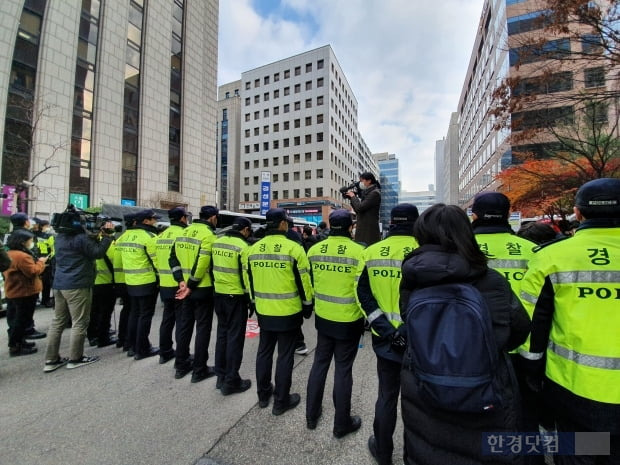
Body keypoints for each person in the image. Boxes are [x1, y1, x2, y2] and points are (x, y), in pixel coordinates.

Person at [398, 204, 530, 465]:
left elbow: (409, 321)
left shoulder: (412, 279)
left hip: (425, 381)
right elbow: (519, 328)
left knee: (427, 446)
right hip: (484, 390)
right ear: (466, 233)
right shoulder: (492, 279)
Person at [519, 178, 620, 465]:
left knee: (579, 453)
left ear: (577, 213)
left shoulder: (552, 257)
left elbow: (534, 325)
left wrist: (530, 371)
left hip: (575, 389)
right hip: (574, 390)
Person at [355, 203, 419, 465]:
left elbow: (363, 294)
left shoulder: (370, 253)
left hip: (385, 341)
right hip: (418, 342)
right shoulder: (425, 251)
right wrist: (405, 330)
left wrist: (386, 330)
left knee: (386, 396)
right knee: (418, 403)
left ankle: (383, 453)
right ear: (416, 223)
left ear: (391, 223)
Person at [243, 208, 314, 415]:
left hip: (264, 310)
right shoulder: (294, 249)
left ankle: (263, 395)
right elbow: (304, 281)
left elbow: (250, 282)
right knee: (284, 356)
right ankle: (281, 401)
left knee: (264, 352)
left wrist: (253, 302)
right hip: (288, 311)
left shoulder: (253, 249)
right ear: (283, 224)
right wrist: (308, 305)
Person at [305, 209, 365, 438]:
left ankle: (311, 416)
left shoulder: (315, 250)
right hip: (349, 319)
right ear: (350, 227)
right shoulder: (359, 252)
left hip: (323, 316)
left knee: (319, 364)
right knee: (343, 370)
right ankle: (341, 424)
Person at [43, 214, 115, 372]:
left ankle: (51, 359)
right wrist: (107, 237)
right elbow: (97, 253)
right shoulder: (81, 238)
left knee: (57, 322)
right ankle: (76, 358)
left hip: (60, 284)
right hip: (77, 285)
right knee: (80, 322)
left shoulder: (59, 238)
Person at [170, 205, 218, 383]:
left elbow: (172, 257)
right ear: (213, 218)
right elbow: (203, 262)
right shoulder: (208, 235)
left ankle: (180, 365)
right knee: (202, 328)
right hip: (201, 288)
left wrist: (180, 280)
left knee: (184, 326)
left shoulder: (184, 231)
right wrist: (190, 284)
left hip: (184, 288)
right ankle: (199, 369)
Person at [212, 216, 253, 395]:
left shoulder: (218, 242)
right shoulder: (243, 247)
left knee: (222, 335)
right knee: (235, 338)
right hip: (235, 296)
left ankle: (220, 376)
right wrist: (250, 299)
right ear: (245, 230)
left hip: (218, 294)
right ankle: (231, 381)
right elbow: (246, 277)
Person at [117, 209, 160, 360]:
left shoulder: (125, 236)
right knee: (145, 316)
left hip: (130, 281)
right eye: (153, 219)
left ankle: (131, 346)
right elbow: (157, 262)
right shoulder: (150, 237)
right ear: (146, 221)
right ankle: (142, 349)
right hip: (146, 281)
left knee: (134, 314)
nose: (155, 222)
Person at [153, 206, 188, 364]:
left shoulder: (161, 235)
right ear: (182, 218)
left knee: (167, 319)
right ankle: (182, 356)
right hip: (179, 283)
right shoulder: (183, 234)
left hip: (164, 283)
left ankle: (164, 352)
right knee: (182, 321)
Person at [3, 229, 47, 356]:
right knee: (21, 320)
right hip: (24, 292)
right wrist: (41, 263)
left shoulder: (9, 253)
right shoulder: (22, 256)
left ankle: (20, 342)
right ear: (22, 242)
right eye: (30, 241)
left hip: (14, 291)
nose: (31, 243)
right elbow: (32, 271)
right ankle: (16, 345)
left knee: (16, 319)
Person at [10, 212, 46, 340]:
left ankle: (22, 334)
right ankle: (20, 337)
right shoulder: (20, 249)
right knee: (20, 314)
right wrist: (40, 262)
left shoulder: (13, 236)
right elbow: (31, 270)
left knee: (18, 313)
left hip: (19, 284)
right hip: (23, 285)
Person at [87, 221, 118, 348]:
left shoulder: (90, 242)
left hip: (93, 282)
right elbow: (115, 260)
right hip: (106, 282)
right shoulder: (107, 243)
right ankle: (103, 337)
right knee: (105, 312)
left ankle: (92, 335)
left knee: (94, 311)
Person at [112, 213, 136, 350]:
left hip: (120, 280)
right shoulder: (134, 238)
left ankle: (122, 339)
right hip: (131, 280)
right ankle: (129, 342)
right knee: (133, 311)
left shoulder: (120, 239)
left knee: (126, 310)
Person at [345, 172, 381, 246]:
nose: (360, 183)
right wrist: (352, 198)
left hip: (368, 230)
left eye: (362, 181)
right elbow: (359, 211)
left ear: (369, 181)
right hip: (364, 227)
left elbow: (360, 208)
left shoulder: (375, 193)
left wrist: (353, 197)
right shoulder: (368, 193)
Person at [33, 218, 54, 308]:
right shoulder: (31, 235)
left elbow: (53, 249)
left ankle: (45, 300)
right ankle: (36, 298)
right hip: (35, 261)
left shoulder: (48, 236)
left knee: (46, 282)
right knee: (35, 281)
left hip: (46, 261)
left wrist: (49, 258)